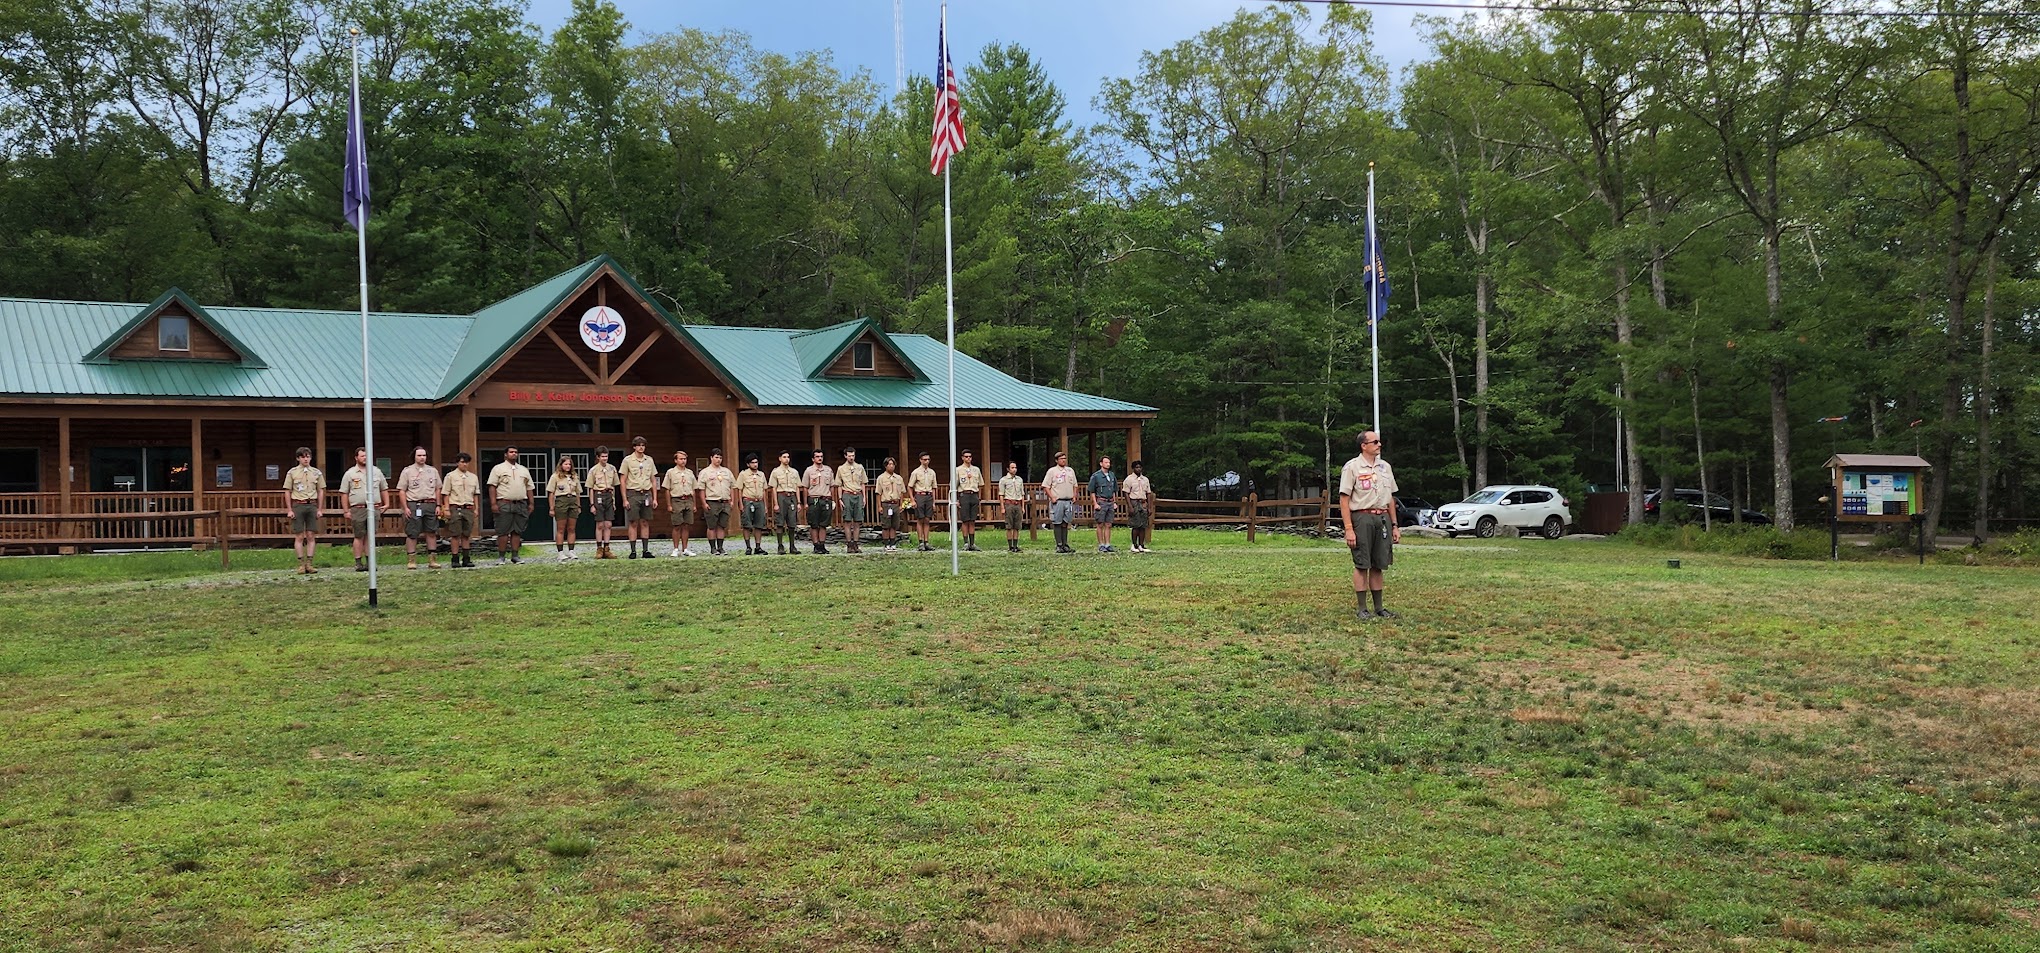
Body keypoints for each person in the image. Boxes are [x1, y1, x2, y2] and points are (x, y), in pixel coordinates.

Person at [1340, 430, 1401, 620]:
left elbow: (1390, 498)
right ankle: (1362, 608)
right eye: (1374, 442)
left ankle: (1379, 608)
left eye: (1379, 441)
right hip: (1362, 518)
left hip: (1381, 517)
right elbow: (1344, 499)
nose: (1379, 445)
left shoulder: (1385, 467)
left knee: (1378, 564)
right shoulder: (1352, 467)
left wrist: (1394, 525)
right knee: (1362, 564)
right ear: (1363, 446)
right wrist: (1349, 528)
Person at [340, 447, 389, 572]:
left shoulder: (376, 471)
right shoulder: (350, 473)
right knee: (359, 536)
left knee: (370, 536)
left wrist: (387, 503)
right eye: (362, 456)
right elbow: (344, 493)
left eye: (366, 455)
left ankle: (370, 562)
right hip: (358, 508)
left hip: (374, 507)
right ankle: (358, 562)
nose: (365, 458)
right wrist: (346, 510)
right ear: (356, 457)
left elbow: (384, 488)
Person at [486, 446, 535, 564]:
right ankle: (501, 556)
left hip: (520, 503)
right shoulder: (498, 469)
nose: (514, 454)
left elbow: (529, 487)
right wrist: (493, 503)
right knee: (503, 531)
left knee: (517, 531)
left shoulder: (523, 470)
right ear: (505, 455)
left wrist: (531, 503)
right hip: (504, 503)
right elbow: (492, 486)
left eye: (516, 452)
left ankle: (515, 555)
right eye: (511, 452)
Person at [397, 445, 443, 570]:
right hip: (414, 503)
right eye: (419, 455)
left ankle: (432, 560)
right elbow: (401, 490)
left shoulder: (432, 471)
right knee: (412, 533)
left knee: (431, 532)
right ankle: (411, 560)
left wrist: (438, 505)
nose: (422, 458)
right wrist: (405, 507)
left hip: (430, 503)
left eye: (424, 455)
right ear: (414, 456)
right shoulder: (407, 471)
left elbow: (438, 488)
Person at [283, 447, 323, 574]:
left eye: (308, 456)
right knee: (299, 535)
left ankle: (310, 563)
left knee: (311, 534)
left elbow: (320, 490)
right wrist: (289, 509)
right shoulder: (292, 473)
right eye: (303, 457)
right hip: (298, 505)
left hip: (311, 504)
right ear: (298, 458)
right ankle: (301, 563)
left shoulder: (316, 473)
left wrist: (320, 508)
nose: (306, 459)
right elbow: (287, 491)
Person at [620, 436, 660, 559]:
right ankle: (633, 551)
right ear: (634, 447)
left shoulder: (649, 460)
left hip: (646, 493)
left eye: (643, 445)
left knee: (645, 521)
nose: (641, 447)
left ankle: (645, 550)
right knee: (633, 522)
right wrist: (625, 499)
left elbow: (653, 480)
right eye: (638, 445)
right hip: (633, 493)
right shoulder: (628, 460)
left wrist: (655, 498)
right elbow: (623, 480)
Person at [441, 452, 480, 568]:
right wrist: (446, 508)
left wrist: (476, 508)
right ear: (457, 463)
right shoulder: (450, 476)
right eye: (462, 462)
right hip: (455, 507)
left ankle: (466, 558)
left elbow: (476, 494)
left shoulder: (473, 477)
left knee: (466, 534)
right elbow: (446, 493)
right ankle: (455, 558)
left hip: (468, 507)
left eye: (466, 462)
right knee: (455, 534)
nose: (465, 464)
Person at [698, 449, 735, 556]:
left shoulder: (727, 472)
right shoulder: (705, 472)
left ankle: (720, 547)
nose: (718, 460)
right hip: (712, 501)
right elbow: (701, 489)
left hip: (725, 501)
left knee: (722, 525)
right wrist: (704, 503)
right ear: (711, 458)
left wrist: (732, 501)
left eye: (720, 457)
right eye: (716, 457)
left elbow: (732, 487)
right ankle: (713, 548)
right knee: (711, 526)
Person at [546, 457, 584, 561]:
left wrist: (579, 506)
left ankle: (571, 550)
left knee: (571, 528)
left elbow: (578, 493)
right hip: (561, 500)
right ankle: (560, 552)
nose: (567, 466)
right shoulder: (555, 476)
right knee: (561, 528)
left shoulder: (574, 477)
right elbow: (551, 493)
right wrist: (551, 508)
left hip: (572, 501)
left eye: (569, 464)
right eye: (565, 464)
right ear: (561, 465)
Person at [586, 446, 619, 559]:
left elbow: (614, 486)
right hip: (598, 495)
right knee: (600, 524)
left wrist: (613, 502)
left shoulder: (612, 469)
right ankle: (599, 548)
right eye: (603, 456)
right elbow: (590, 488)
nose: (605, 458)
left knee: (608, 524)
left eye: (606, 456)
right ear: (598, 457)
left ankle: (607, 548)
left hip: (609, 495)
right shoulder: (594, 470)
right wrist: (592, 504)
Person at [1043, 450, 1079, 554]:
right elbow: (1045, 486)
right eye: (1061, 459)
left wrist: (1074, 495)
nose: (1063, 461)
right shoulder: (1052, 471)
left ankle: (1065, 544)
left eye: (1064, 458)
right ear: (1056, 460)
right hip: (1058, 500)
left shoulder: (1070, 471)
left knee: (1065, 522)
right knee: (1057, 522)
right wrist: (1052, 497)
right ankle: (1059, 544)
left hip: (1068, 500)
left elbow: (1075, 485)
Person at [663, 450, 697, 557]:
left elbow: (694, 489)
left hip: (688, 499)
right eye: (681, 459)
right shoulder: (671, 472)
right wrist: (669, 504)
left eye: (685, 459)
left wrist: (694, 504)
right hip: (676, 500)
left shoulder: (690, 473)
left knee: (686, 525)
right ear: (676, 460)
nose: (683, 461)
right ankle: (675, 548)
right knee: (677, 525)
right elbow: (667, 489)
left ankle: (685, 548)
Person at [768, 450, 802, 555]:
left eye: (788, 457)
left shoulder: (794, 472)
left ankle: (792, 546)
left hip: (791, 496)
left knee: (792, 523)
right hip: (781, 496)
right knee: (780, 522)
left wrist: (798, 502)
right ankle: (780, 546)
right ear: (780, 458)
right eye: (784, 457)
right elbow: (773, 488)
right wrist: (776, 503)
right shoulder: (776, 472)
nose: (786, 459)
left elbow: (797, 487)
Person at [802, 449, 835, 554]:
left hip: (825, 499)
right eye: (817, 456)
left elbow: (832, 486)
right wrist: (806, 502)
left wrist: (832, 500)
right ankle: (816, 545)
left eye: (821, 456)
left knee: (823, 524)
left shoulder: (828, 470)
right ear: (813, 458)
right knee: (814, 524)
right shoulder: (809, 471)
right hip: (814, 499)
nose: (819, 458)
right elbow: (805, 487)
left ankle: (822, 545)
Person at [835, 447, 868, 554]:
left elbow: (863, 483)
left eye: (853, 455)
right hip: (847, 494)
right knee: (847, 521)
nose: (851, 457)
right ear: (845, 456)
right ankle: (849, 544)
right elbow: (839, 485)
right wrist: (840, 498)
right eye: (849, 456)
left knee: (858, 521)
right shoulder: (841, 468)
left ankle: (856, 544)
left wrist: (864, 497)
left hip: (858, 494)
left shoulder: (860, 467)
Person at [736, 453, 769, 555]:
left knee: (759, 525)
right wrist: (741, 504)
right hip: (748, 500)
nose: (755, 464)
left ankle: (758, 547)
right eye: (752, 463)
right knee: (747, 525)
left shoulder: (761, 474)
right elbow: (739, 490)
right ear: (748, 464)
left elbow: (764, 490)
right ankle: (748, 547)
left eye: (756, 462)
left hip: (759, 501)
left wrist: (766, 505)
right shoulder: (743, 474)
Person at [907, 452, 939, 552]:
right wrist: (912, 500)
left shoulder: (932, 472)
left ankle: (926, 542)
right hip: (919, 495)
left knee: (927, 520)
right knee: (920, 519)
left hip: (928, 495)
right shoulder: (916, 472)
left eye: (928, 459)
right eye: (924, 459)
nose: (926, 461)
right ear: (920, 460)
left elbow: (934, 487)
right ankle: (920, 541)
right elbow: (909, 486)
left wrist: (934, 502)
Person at [875, 457, 907, 553]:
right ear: (885, 466)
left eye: (893, 464)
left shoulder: (899, 478)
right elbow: (878, 493)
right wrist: (879, 506)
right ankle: (886, 544)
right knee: (886, 525)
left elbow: (902, 492)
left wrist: (901, 504)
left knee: (894, 525)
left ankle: (893, 543)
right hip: (886, 503)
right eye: (889, 464)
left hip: (895, 503)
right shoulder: (881, 478)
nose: (891, 466)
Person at [1088, 455, 1119, 554]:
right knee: (1100, 523)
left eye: (1109, 463)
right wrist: (1095, 503)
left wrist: (1114, 502)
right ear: (1101, 463)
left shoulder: (1112, 475)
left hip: (1110, 501)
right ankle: (1101, 544)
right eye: (1106, 462)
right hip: (1101, 501)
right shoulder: (1096, 476)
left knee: (1108, 524)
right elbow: (1092, 491)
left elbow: (1114, 490)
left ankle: (1108, 544)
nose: (1108, 464)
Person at [954, 450, 984, 552]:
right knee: (965, 520)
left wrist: (979, 497)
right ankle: (966, 542)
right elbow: (954, 485)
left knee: (972, 520)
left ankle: (972, 543)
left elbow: (980, 484)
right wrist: (956, 499)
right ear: (962, 458)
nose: (968, 459)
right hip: (964, 495)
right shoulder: (958, 470)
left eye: (970, 457)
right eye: (966, 457)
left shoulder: (976, 470)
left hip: (974, 495)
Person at [995, 461, 1027, 554]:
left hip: (1018, 503)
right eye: (1012, 468)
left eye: (1015, 467)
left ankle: (1016, 545)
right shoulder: (1004, 480)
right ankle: (1010, 546)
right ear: (1008, 469)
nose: (1014, 469)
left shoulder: (1019, 480)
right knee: (1009, 526)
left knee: (1017, 526)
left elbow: (1022, 494)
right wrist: (1002, 507)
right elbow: (1001, 494)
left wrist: (1023, 506)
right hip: (1009, 503)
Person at [1124, 460, 1154, 553]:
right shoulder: (1129, 479)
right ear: (1133, 468)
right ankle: (1134, 544)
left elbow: (1148, 493)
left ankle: (1141, 545)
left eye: (1140, 467)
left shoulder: (1145, 479)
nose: (1138, 469)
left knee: (1143, 525)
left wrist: (1149, 507)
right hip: (1134, 501)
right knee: (1135, 525)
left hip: (1143, 502)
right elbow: (1126, 493)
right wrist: (1130, 506)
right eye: (1136, 467)